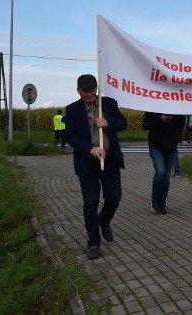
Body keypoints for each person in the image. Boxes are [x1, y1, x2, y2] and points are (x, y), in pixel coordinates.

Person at [65, 74, 127, 260]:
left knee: (114, 198)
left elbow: (123, 123)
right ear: (78, 91)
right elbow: (70, 135)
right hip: (88, 164)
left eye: (93, 90)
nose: (90, 94)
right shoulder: (72, 109)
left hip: (109, 162)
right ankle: (93, 242)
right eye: (86, 91)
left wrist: (108, 123)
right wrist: (89, 149)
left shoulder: (109, 104)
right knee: (90, 203)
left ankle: (104, 221)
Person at [143, 112, 185, 213]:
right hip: (156, 146)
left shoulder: (177, 108)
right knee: (160, 172)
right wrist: (160, 119)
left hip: (171, 147)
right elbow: (145, 125)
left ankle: (162, 202)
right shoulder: (151, 106)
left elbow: (181, 124)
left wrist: (176, 138)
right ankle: (155, 201)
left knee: (166, 177)